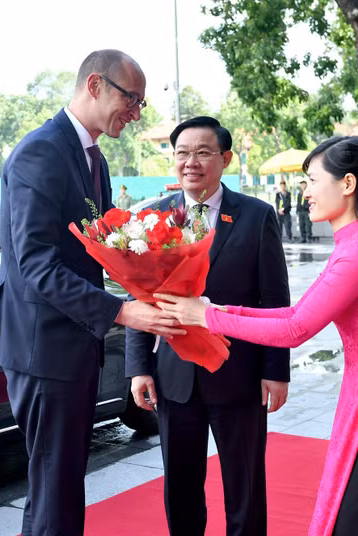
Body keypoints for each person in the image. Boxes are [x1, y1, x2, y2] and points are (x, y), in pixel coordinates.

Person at [154, 136, 358, 536]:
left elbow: (295, 328)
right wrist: (214, 311)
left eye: (312, 180)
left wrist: (208, 317)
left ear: (347, 184)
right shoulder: (355, 244)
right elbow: (292, 315)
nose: (304, 191)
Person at [0, 50, 184, 536]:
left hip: (73, 347)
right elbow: (35, 265)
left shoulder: (93, 160)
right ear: (95, 85)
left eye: (141, 104)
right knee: (55, 487)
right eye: (131, 99)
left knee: (63, 485)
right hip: (45, 349)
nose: (136, 113)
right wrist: (123, 312)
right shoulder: (41, 152)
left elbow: (95, 254)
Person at [127, 116, 290, 536]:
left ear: (225, 158)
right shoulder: (150, 219)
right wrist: (139, 367)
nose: (191, 162)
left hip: (239, 374)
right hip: (175, 379)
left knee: (245, 485)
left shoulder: (256, 216)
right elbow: (137, 296)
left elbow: (274, 301)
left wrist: (276, 371)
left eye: (202, 152)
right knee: (180, 488)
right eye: (182, 153)